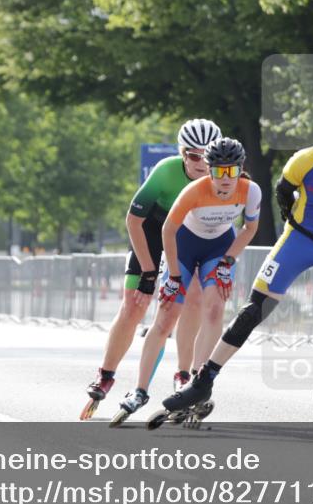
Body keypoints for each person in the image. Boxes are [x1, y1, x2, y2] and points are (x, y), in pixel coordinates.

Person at [154, 99, 313, 431]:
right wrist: (298, 226)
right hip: (299, 240)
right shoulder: (305, 162)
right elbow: (284, 194)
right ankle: (203, 381)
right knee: (255, 311)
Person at [111, 137, 261, 424]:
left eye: (232, 171)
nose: (225, 179)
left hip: (218, 247)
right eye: (218, 171)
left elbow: (249, 228)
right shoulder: (195, 190)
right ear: (209, 169)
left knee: (215, 309)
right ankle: (140, 390)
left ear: (241, 169)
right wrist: (174, 277)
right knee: (166, 317)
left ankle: (197, 382)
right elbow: (168, 230)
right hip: (183, 244)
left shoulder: (250, 191)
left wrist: (228, 262)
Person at [80, 119, 221, 420]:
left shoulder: (220, 178)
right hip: (152, 230)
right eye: (194, 156)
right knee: (134, 303)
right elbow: (134, 220)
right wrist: (147, 272)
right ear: (183, 154)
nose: (201, 163)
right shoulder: (166, 171)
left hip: (187, 235)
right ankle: (106, 374)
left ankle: (184, 375)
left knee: (192, 298)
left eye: (207, 156)